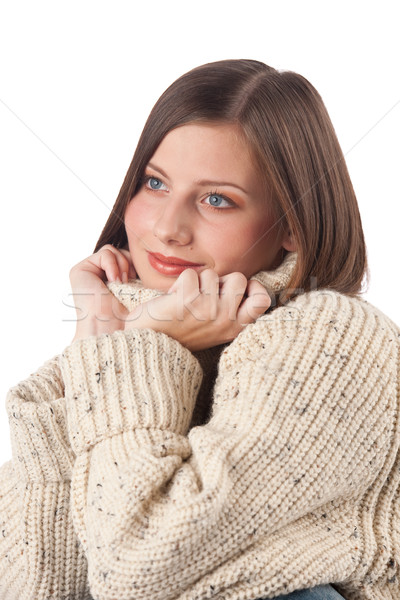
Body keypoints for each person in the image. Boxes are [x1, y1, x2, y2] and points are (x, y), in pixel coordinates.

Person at [0, 59, 398, 600]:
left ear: (293, 228)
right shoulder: (143, 331)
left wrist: (143, 344)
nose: (167, 228)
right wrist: (97, 340)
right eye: (155, 183)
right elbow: (45, 585)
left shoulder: (333, 334)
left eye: (217, 199)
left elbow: (139, 569)